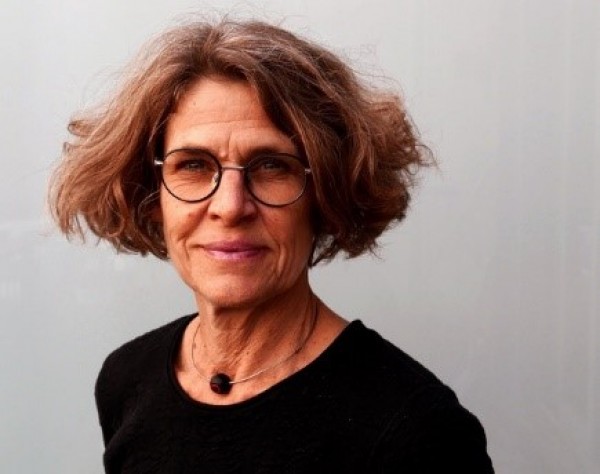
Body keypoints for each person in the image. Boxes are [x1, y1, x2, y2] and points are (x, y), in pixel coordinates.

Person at [49, 18, 494, 473]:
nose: (230, 206)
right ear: (150, 193)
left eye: (271, 166)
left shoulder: (418, 432)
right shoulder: (127, 380)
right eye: (194, 165)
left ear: (327, 194)